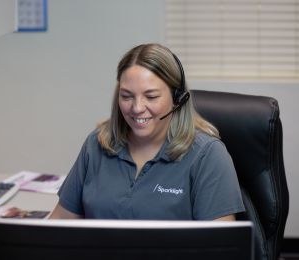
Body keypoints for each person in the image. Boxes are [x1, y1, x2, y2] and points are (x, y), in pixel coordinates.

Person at [49, 43, 245, 220]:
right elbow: (58, 224)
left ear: (178, 98)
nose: (137, 108)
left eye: (151, 97)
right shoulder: (97, 143)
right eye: (127, 96)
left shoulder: (207, 155)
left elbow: (220, 247)